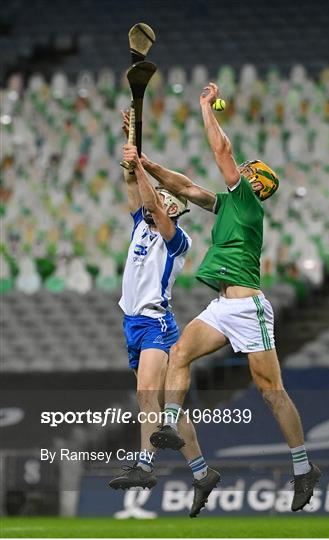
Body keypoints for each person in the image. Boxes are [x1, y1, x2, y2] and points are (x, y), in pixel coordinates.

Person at [124, 82, 321, 512]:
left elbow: (222, 153)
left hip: (249, 307)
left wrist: (206, 109)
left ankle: (304, 468)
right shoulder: (228, 204)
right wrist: (146, 163)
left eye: (249, 170)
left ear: (257, 183)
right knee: (178, 352)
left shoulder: (248, 202)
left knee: (271, 392)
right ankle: (171, 424)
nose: (241, 171)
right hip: (223, 306)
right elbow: (186, 186)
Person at [108, 133, 220, 518]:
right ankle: (202, 473)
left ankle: (144, 466)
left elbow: (150, 199)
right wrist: (130, 150)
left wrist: (141, 165)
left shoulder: (178, 240)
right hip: (132, 323)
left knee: (145, 394)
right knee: (159, 406)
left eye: (165, 200)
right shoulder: (141, 223)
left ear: (173, 209)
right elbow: (132, 188)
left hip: (157, 321)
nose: (158, 202)